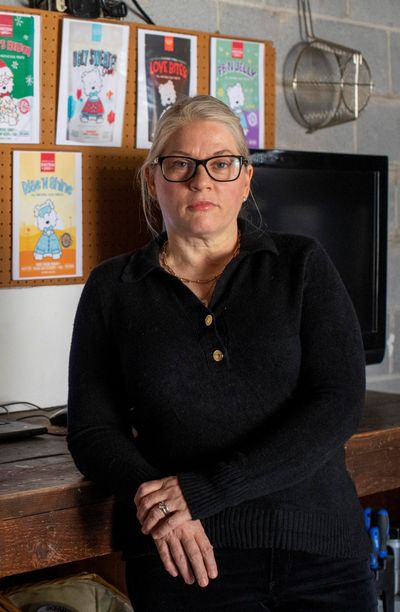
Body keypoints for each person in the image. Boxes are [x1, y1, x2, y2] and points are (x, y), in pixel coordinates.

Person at [66, 95, 375, 611]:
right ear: (152, 180)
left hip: (319, 552)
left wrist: (203, 492)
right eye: (180, 164)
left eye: (221, 164)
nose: (201, 180)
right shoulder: (113, 288)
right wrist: (162, 506)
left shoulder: (300, 265)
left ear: (246, 180)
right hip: (187, 561)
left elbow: (338, 402)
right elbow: (93, 431)